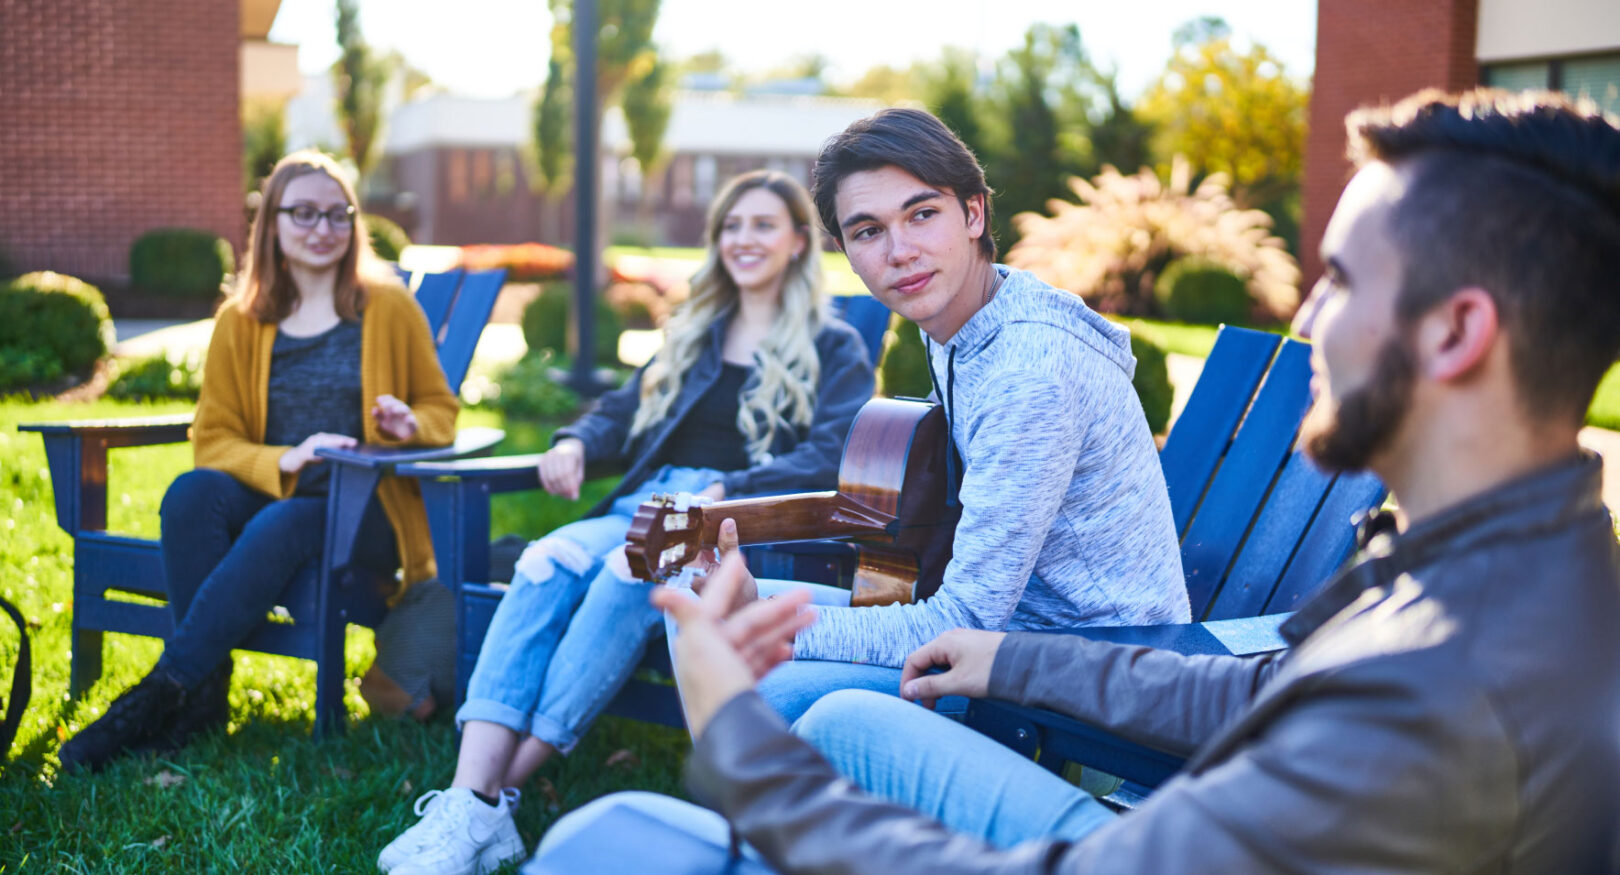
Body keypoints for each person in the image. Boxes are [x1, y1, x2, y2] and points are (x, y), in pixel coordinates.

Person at [538, 88, 1620, 872]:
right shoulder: (1480, 574)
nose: (1307, 318)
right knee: (800, 743)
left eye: (1336, 279)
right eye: (868, 230)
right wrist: (1016, 657)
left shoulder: (1443, 688)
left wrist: (735, 738)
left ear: (1459, 331)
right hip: (1072, 662)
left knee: (628, 834)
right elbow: (1257, 691)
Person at [375, 169, 876, 875]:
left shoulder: (835, 346)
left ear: (798, 242)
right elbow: (620, 408)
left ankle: (493, 797)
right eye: (731, 226)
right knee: (541, 561)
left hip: (728, 518)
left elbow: (835, 454)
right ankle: (470, 800)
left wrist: (721, 491)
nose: (744, 239)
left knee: (623, 570)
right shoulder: (696, 332)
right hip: (645, 505)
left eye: (763, 224)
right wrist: (575, 440)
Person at [701, 107, 1187, 725]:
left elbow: (964, 622)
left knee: (756, 680)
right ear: (845, 250)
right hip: (1006, 632)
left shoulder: (1029, 374)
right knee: (701, 621)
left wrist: (767, 630)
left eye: (922, 214)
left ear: (974, 214)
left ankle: (766, 815)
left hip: (1086, 678)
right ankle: (757, 817)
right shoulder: (961, 322)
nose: (900, 252)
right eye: (868, 231)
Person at [59, 150, 460, 772]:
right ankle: (204, 698)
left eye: (338, 214)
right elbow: (214, 438)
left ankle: (158, 696)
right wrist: (286, 458)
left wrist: (411, 425)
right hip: (281, 500)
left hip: (366, 516)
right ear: (271, 222)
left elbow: (442, 409)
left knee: (288, 521)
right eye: (304, 213)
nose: (323, 228)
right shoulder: (240, 322)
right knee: (191, 495)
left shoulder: (389, 309)